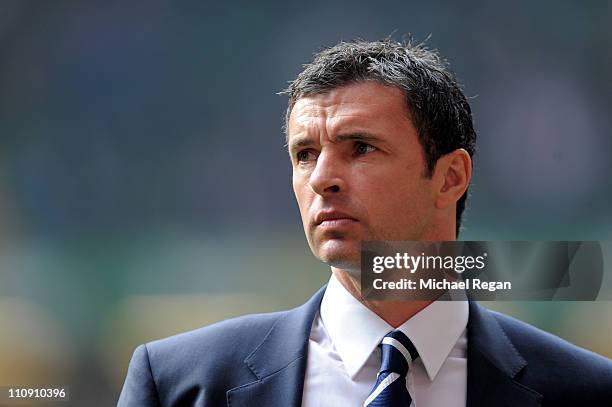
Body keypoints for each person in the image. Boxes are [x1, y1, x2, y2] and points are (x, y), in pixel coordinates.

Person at [118, 39, 612, 406]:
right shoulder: (179, 384)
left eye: (361, 148)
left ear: (450, 177)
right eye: (305, 154)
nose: (322, 179)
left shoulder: (585, 390)